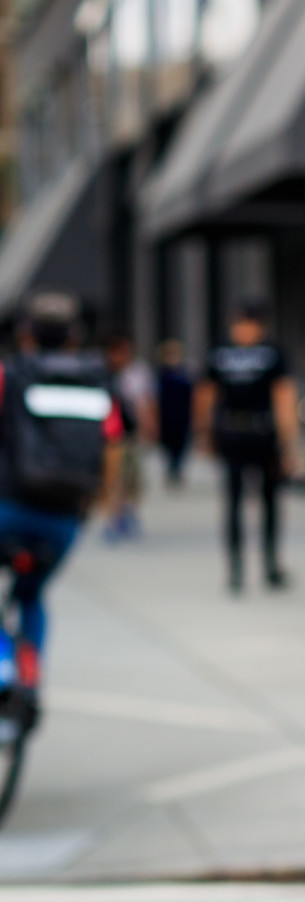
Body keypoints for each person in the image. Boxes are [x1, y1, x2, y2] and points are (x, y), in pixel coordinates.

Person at [0, 290, 123, 731]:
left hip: (8, 508)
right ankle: (29, 678)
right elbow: (111, 444)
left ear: (25, 334)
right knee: (32, 594)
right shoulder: (96, 379)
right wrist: (103, 501)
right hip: (62, 519)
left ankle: (1, 665)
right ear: (74, 337)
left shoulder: (10, 374)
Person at [195, 302, 300, 594]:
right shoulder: (264, 352)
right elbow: (206, 394)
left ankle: (266, 564)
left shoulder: (232, 351)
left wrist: (288, 441)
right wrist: (204, 431)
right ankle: (239, 567)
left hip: (258, 432)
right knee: (237, 503)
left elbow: (283, 396)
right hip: (239, 432)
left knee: (266, 503)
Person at [103, 329, 157, 540]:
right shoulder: (102, 372)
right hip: (110, 435)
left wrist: (150, 426)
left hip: (131, 433)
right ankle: (113, 517)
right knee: (113, 478)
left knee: (133, 477)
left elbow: (145, 402)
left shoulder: (137, 372)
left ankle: (129, 511)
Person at [155, 339, 194, 488]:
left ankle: (177, 468)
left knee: (181, 445)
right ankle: (171, 468)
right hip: (166, 416)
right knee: (167, 445)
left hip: (183, 415)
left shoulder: (185, 372)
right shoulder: (161, 373)